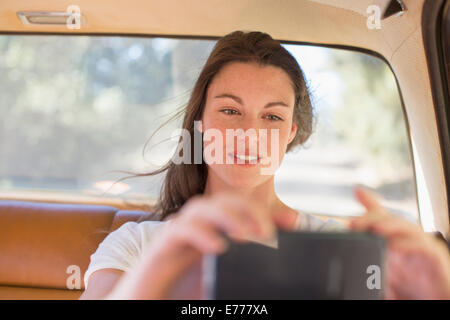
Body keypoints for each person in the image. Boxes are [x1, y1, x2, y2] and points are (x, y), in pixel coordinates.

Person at [79, 30, 450, 300]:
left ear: (291, 131)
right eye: (229, 111)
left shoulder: (334, 248)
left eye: (271, 118)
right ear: (201, 123)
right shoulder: (136, 247)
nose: (249, 133)